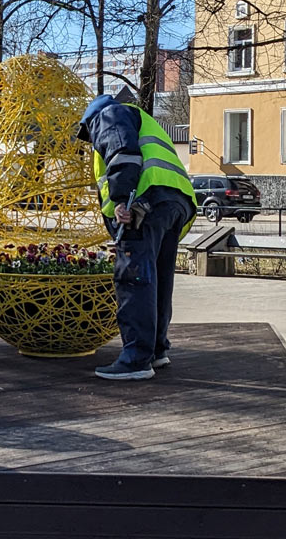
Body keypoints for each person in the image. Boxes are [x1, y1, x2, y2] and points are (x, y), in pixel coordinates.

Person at [76, 92, 197, 381]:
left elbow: (123, 154)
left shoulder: (109, 115)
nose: (91, 140)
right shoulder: (142, 119)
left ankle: (135, 359)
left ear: (91, 120)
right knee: (158, 278)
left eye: (88, 134)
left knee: (133, 278)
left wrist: (122, 201)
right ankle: (156, 350)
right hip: (174, 201)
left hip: (144, 203)